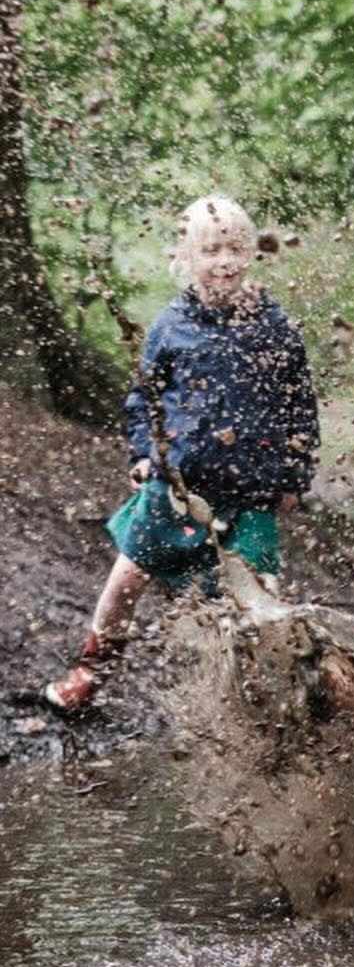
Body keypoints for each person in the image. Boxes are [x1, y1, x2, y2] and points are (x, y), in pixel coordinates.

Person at [41, 195, 320, 711]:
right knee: (127, 577)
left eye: (235, 248)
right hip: (178, 484)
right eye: (211, 250)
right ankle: (90, 670)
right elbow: (143, 398)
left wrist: (295, 474)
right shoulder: (171, 325)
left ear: (252, 253)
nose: (225, 262)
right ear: (187, 258)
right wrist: (144, 453)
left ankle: (266, 701)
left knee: (262, 596)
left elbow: (299, 404)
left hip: (252, 486)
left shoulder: (275, 325)